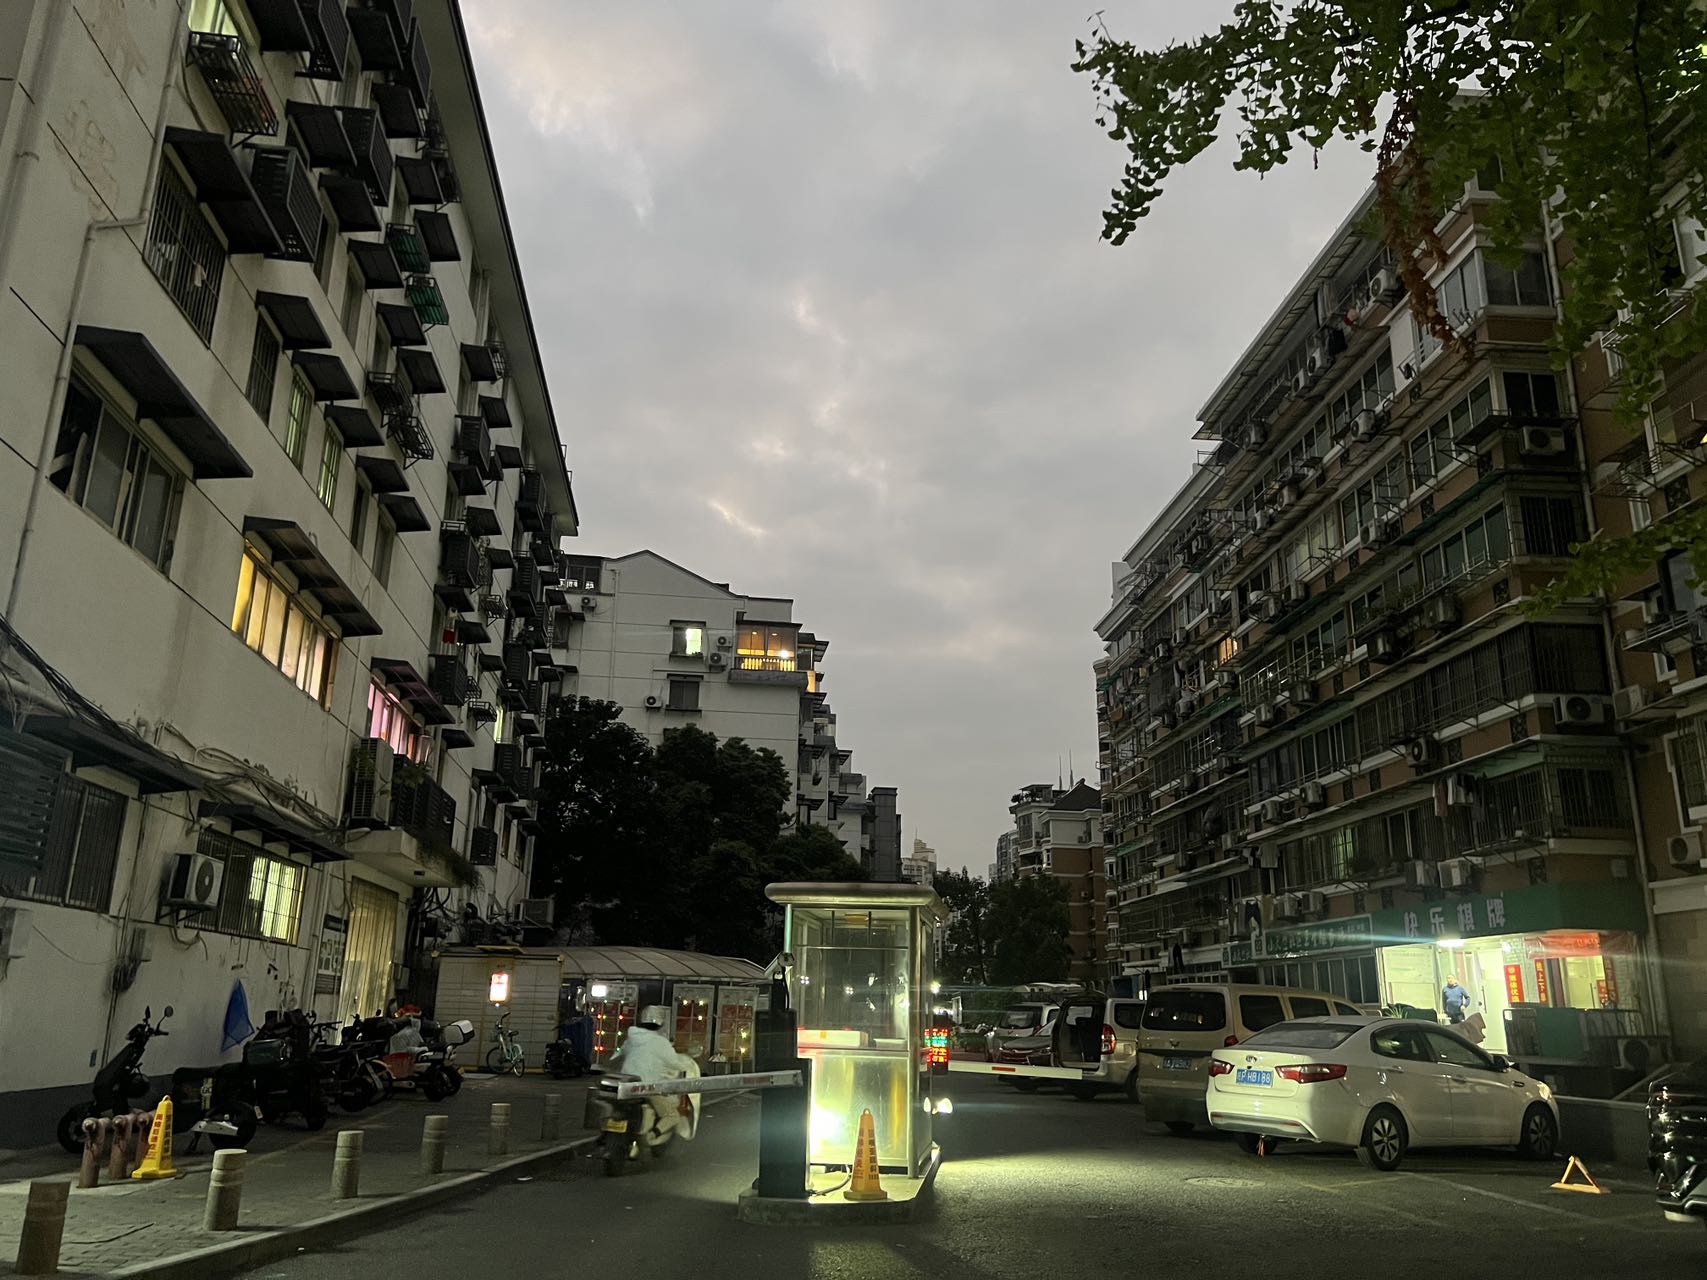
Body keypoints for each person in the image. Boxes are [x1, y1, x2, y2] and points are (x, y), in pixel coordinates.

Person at [607, 1006, 699, 1145]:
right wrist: (687, 1062)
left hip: (626, 1085)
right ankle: (650, 1136)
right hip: (648, 1088)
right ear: (660, 1023)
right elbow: (674, 1063)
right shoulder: (661, 1042)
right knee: (672, 1115)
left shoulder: (631, 1038)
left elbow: (618, 1055)